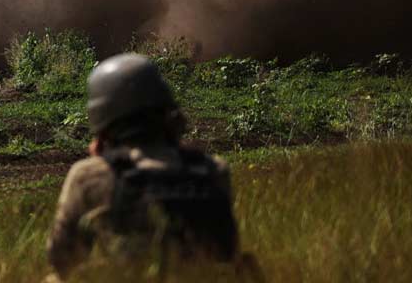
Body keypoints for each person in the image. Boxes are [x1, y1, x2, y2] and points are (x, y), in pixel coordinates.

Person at [46, 53, 259, 281]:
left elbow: (62, 259)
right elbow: (227, 250)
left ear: (102, 116)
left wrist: (102, 162)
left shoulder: (88, 176)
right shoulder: (213, 170)